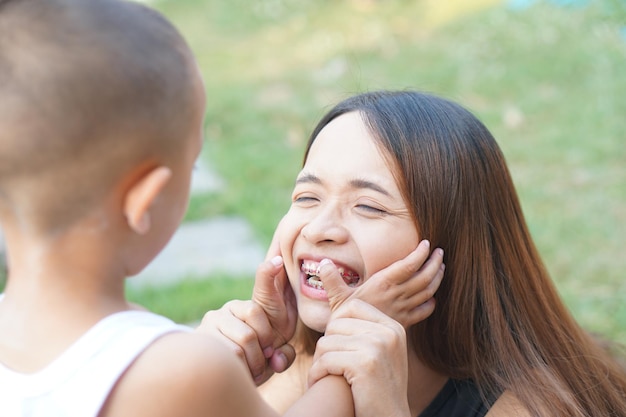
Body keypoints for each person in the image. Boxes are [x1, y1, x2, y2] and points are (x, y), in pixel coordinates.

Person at [0, 1, 446, 416]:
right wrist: (359, 339)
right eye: (191, 166)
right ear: (147, 200)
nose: (317, 227)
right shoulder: (180, 367)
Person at [202, 90, 626, 417]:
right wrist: (212, 383)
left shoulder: (537, 405)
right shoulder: (289, 364)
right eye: (307, 196)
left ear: (453, 243)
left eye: (367, 206)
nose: (317, 228)